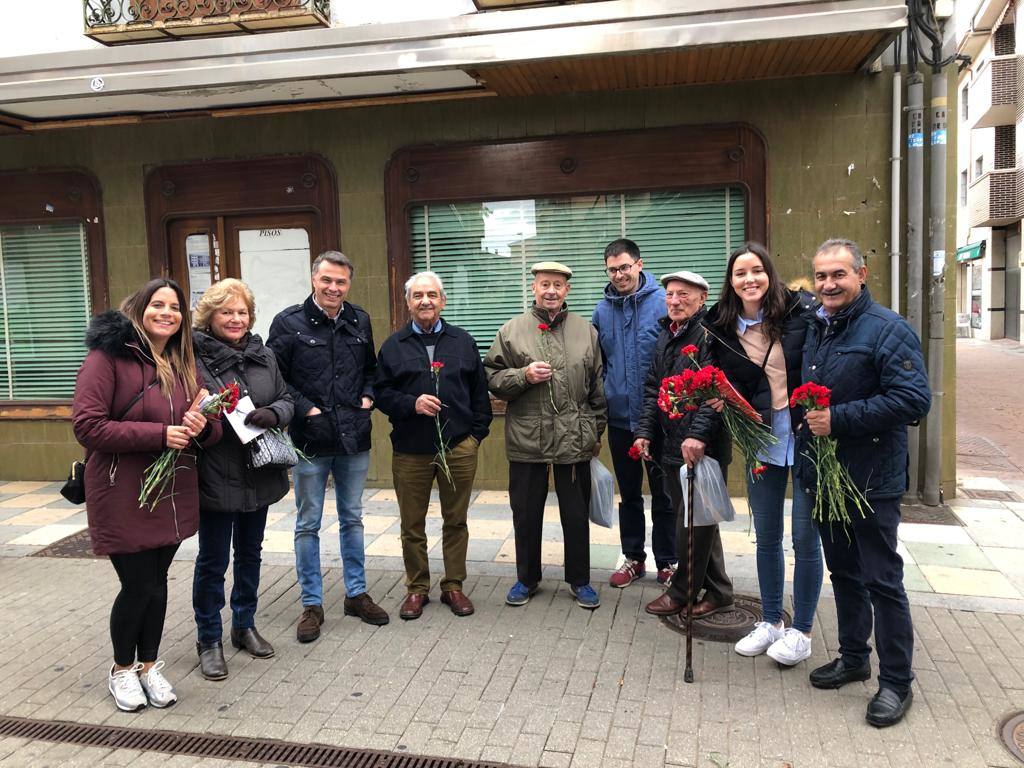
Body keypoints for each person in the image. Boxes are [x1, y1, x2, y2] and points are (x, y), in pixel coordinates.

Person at [798, 238, 930, 727]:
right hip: (827, 476)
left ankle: (897, 682)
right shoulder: (819, 326)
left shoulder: (887, 328)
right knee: (845, 574)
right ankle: (855, 658)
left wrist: (839, 419)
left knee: (882, 580)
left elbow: (914, 400)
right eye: (821, 277)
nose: (828, 285)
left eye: (838, 275)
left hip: (872, 479)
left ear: (862, 273)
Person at [73, 278, 220, 712]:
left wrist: (201, 426)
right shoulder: (107, 358)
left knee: (157, 584)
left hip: (171, 490)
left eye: (175, 307)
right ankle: (121, 670)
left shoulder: (181, 360)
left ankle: (149, 666)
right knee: (137, 585)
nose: (167, 313)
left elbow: (204, 432)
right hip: (123, 490)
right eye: (158, 304)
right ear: (139, 308)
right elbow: (87, 425)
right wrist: (160, 434)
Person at [703, 242, 820, 665]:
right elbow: (715, 378)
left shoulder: (801, 314)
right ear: (730, 282)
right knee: (767, 535)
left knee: (806, 538)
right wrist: (718, 399)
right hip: (760, 438)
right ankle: (771, 620)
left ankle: (802, 629)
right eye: (740, 273)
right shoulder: (719, 325)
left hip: (809, 438)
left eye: (756, 271)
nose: (749, 279)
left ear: (769, 273)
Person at [267, 251, 388, 642]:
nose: (334, 288)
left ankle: (356, 594)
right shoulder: (288, 323)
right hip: (309, 439)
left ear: (348, 284)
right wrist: (309, 410)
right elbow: (276, 380)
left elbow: (371, 369)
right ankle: (312, 604)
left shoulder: (360, 320)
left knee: (352, 517)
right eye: (327, 281)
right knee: (308, 523)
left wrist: (368, 396)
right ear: (314, 280)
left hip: (354, 435)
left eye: (341, 282)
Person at [485, 261, 607, 609]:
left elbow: (597, 386)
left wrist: (594, 430)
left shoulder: (586, 331)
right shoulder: (511, 331)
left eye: (558, 285)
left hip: (574, 440)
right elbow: (492, 378)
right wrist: (523, 375)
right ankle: (526, 578)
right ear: (533, 287)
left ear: (567, 290)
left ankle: (580, 580)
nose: (551, 291)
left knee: (575, 514)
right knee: (525, 513)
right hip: (527, 438)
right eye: (544, 284)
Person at [191, 279, 294, 679]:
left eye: (242, 312)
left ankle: (244, 625)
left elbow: (286, 397)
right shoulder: (192, 357)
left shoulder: (263, 354)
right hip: (218, 470)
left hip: (260, 470)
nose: (236, 319)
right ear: (210, 316)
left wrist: (276, 414)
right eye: (226, 312)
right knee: (213, 560)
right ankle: (209, 637)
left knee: (251, 553)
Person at [374, 271, 493, 620]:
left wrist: (475, 437)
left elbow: (479, 394)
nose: (425, 301)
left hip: (458, 447)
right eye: (418, 295)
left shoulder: (463, 341)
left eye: (432, 294)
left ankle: (453, 586)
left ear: (442, 300)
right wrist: (411, 404)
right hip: (411, 450)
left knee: (456, 520)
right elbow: (381, 393)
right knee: (412, 524)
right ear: (407, 302)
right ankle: (417, 588)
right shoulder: (393, 346)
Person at [635, 271, 734, 619]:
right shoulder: (667, 333)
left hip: (700, 448)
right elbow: (653, 387)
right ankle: (720, 590)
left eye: (684, 295)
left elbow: (717, 391)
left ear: (702, 298)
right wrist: (645, 429)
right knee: (700, 520)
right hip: (671, 444)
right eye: (670, 295)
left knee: (692, 523)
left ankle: (682, 591)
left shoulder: (711, 335)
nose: (675, 301)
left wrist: (700, 436)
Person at [592, 238, 674, 588]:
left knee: (665, 494)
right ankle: (633, 558)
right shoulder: (602, 310)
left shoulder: (663, 302)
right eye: (612, 269)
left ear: (640, 264)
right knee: (629, 494)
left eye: (625, 267)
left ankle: (668, 561)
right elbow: (601, 363)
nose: (619, 274)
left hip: (659, 420)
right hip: (621, 419)